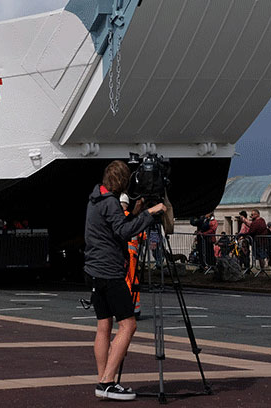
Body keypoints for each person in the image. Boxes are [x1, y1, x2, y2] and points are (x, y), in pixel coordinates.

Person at [85, 160, 166, 401]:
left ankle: (103, 380)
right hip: (110, 271)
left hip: (93, 270)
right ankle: (108, 381)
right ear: (123, 182)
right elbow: (123, 231)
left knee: (104, 325)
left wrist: (137, 212)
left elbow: (114, 227)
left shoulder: (95, 199)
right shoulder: (110, 202)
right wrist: (151, 213)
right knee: (128, 325)